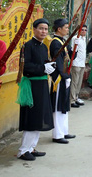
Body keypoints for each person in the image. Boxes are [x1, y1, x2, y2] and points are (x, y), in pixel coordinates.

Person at [17, 18, 54, 161]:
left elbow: (43, 64)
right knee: (32, 117)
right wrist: (42, 68)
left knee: (39, 117)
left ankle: (31, 147)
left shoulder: (44, 47)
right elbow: (25, 67)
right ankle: (23, 150)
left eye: (45, 29)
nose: (43, 31)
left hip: (42, 85)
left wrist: (49, 66)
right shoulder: (28, 46)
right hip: (32, 86)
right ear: (34, 29)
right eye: (41, 28)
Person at [49, 18, 74, 144]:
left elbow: (67, 56)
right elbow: (58, 62)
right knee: (58, 105)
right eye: (66, 27)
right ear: (59, 29)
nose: (67, 29)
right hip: (59, 78)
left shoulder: (62, 41)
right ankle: (57, 134)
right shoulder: (55, 43)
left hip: (65, 76)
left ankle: (64, 131)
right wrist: (64, 76)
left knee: (64, 104)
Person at [69, 25, 87, 108]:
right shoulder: (75, 38)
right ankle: (72, 100)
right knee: (74, 82)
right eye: (82, 30)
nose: (84, 31)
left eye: (85, 30)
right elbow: (73, 51)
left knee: (79, 82)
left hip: (82, 63)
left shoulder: (84, 39)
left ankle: (76, 97)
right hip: (76, 63)